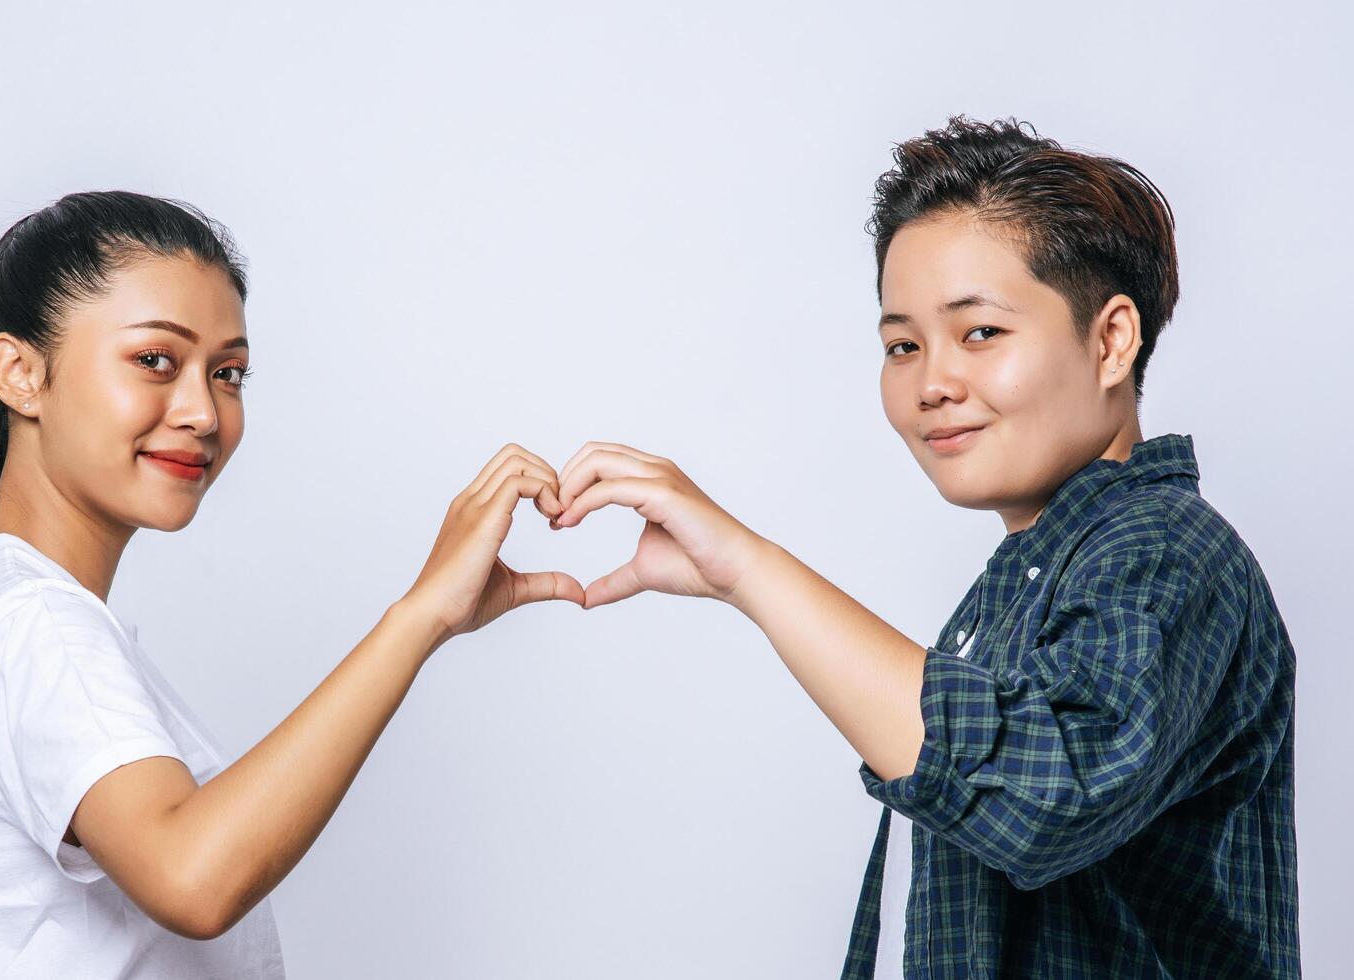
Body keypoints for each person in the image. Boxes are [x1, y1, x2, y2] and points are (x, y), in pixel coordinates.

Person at [547, 117, 1300, 978]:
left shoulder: (1165, 550)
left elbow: (1042, 799)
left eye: (980, 332)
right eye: (902, 345)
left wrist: (749, 567)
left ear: (1111, 340)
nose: (933, 384)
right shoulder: (1020, 586)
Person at [0, 191, 581, 978]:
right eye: (156, 359)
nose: (203, 411)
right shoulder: (36, 624)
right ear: (21, 374)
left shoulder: (16, 611)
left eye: (229, 373)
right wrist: (421, 615)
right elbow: (193, 877)